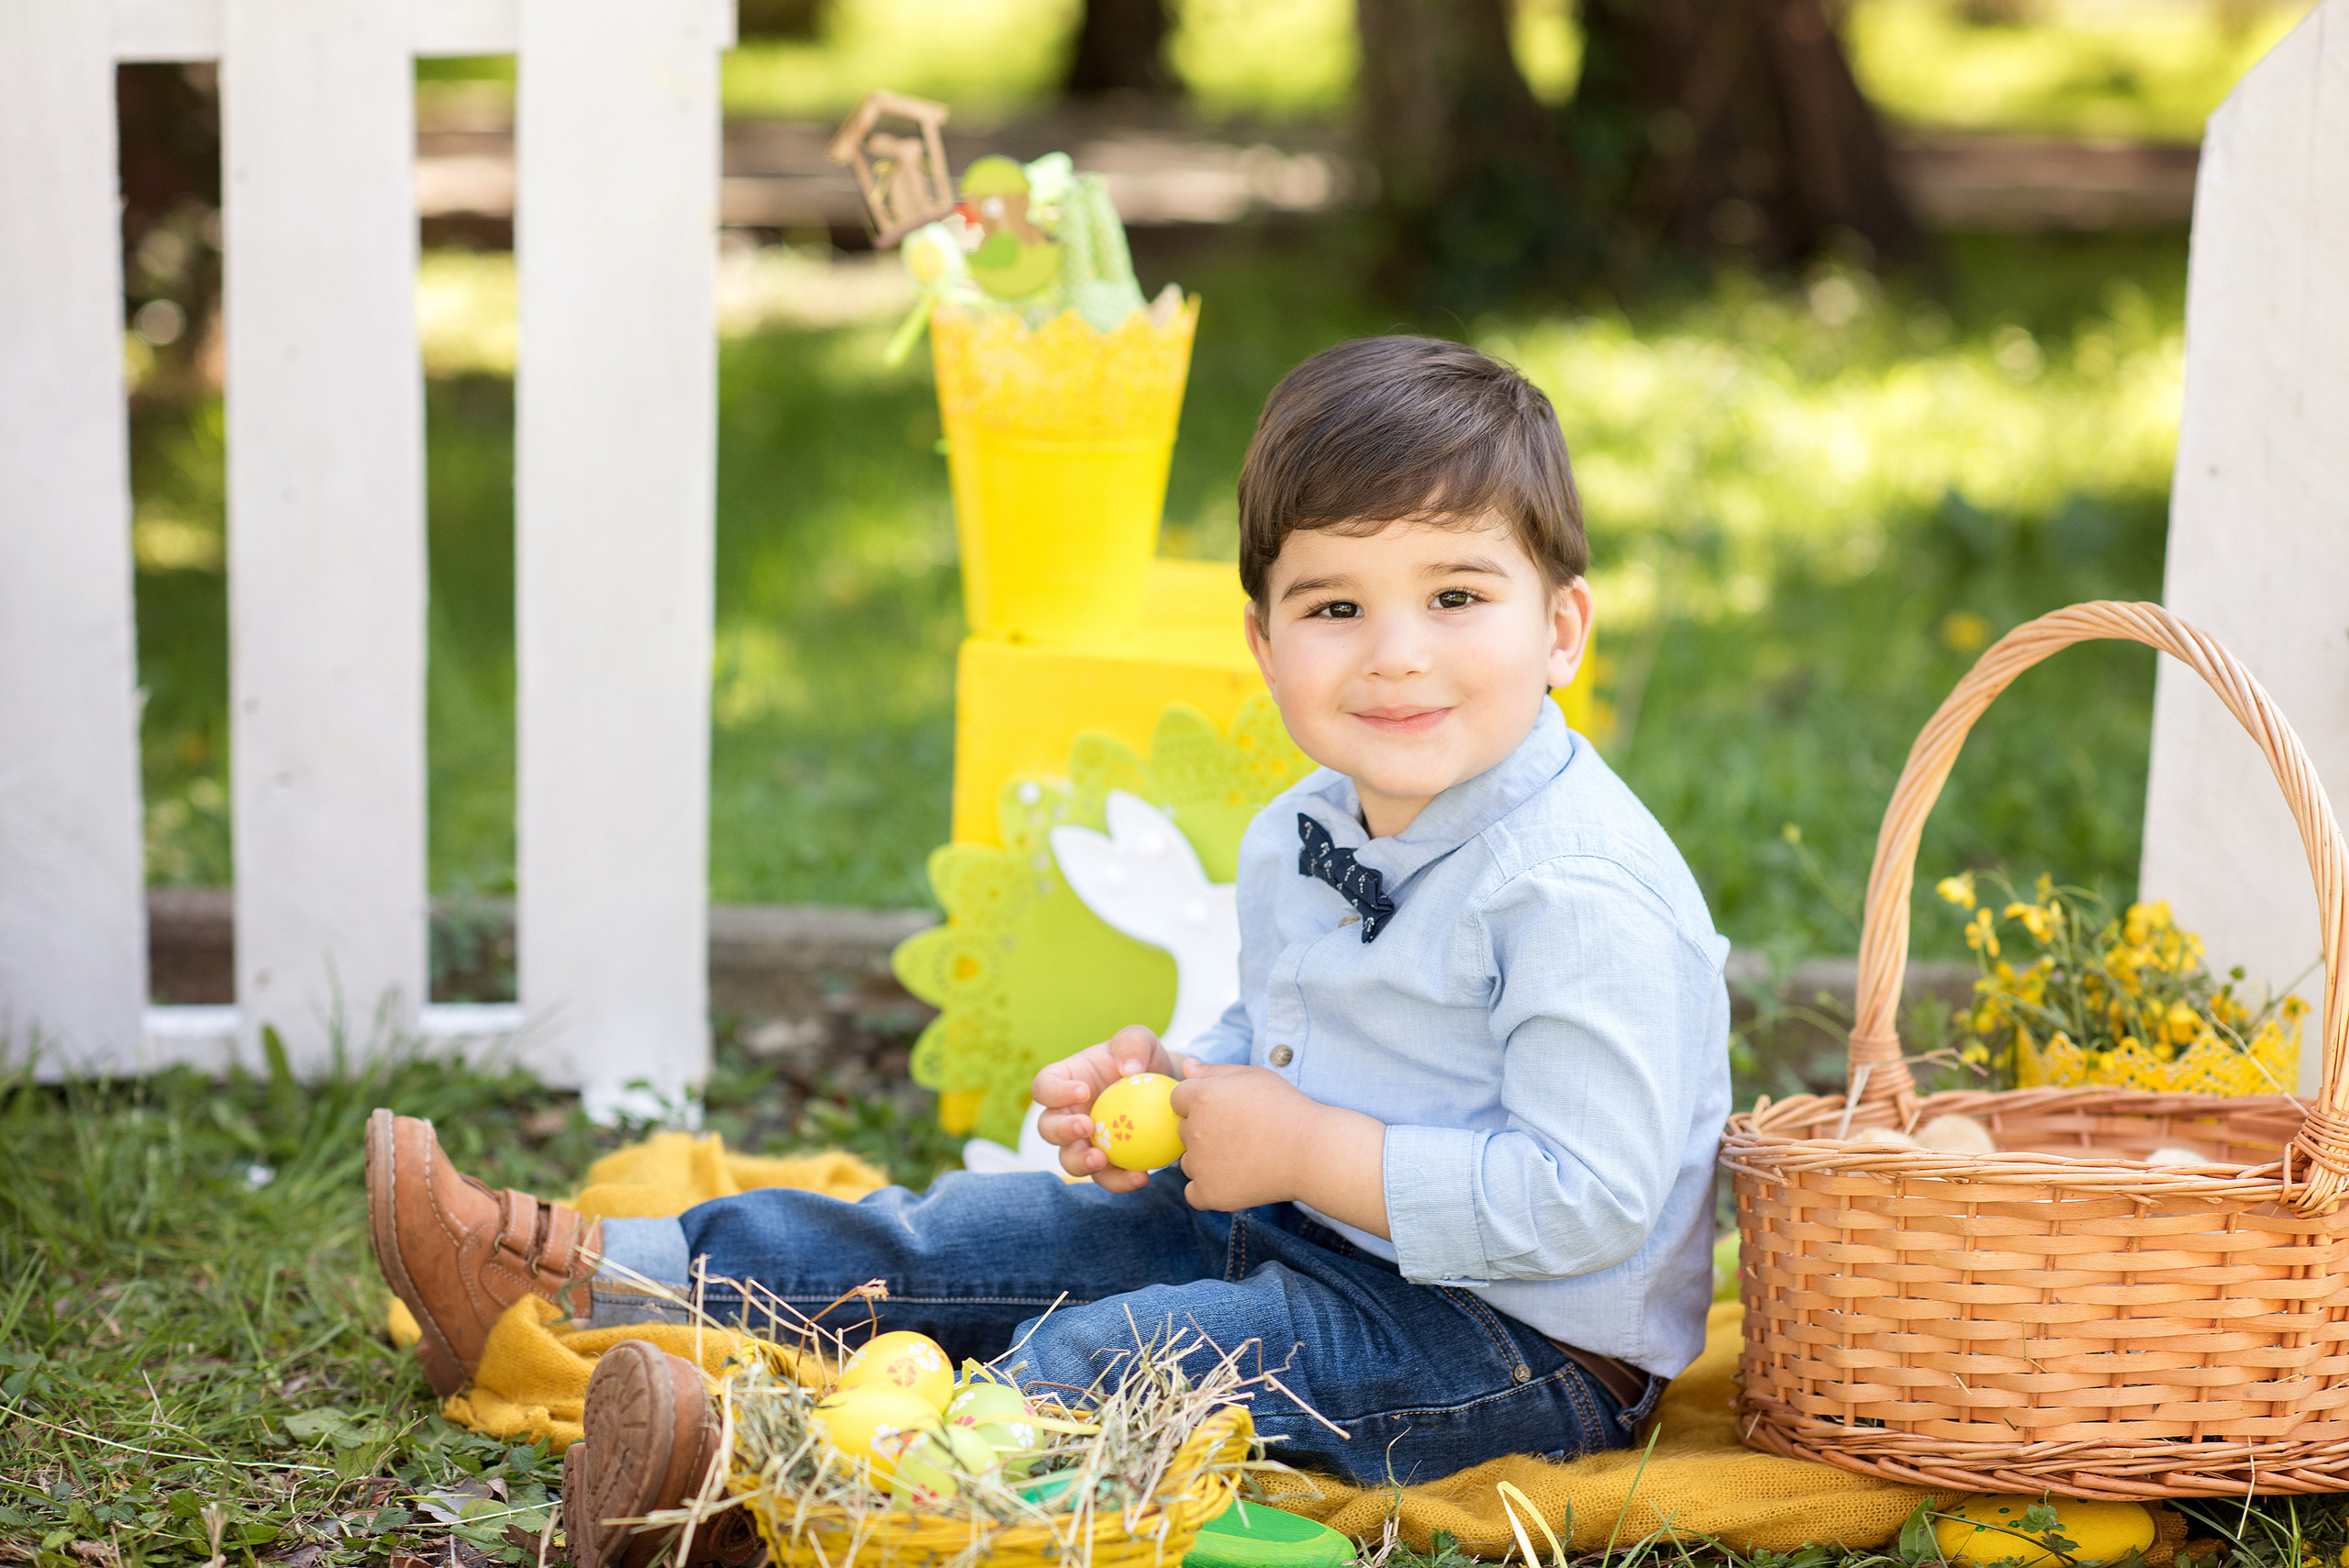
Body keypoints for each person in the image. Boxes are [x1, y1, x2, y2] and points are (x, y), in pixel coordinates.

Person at [367, 334, 1731, 1568]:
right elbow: (1308, 1030)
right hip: (1309, 1224)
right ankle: (576, 1270)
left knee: (1116, 1356)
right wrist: (1195, 1087)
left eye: (1454, 596)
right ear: (1262, 641)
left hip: (1514, 1348)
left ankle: (761, 1503)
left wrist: (1306, 1147)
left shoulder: (1579, 888)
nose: (1394, 655)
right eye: (1334, 608)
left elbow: (1588, 1197)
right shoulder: (1304, 827)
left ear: (1560, 627)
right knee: (953, 1238)